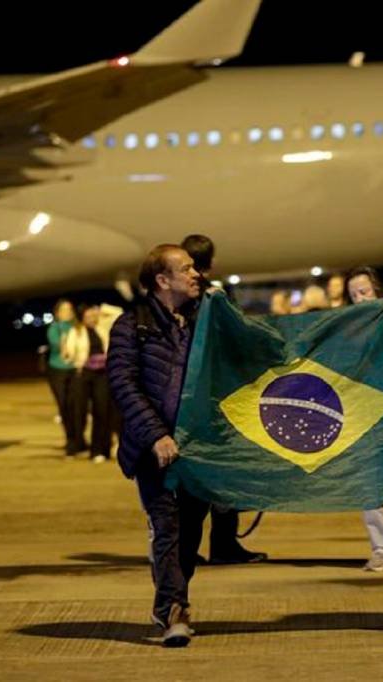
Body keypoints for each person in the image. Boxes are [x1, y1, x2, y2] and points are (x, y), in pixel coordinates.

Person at [106, 244, 210, 647]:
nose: (195, 274)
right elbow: (122, 384)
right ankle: (173, 611)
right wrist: (156, 435)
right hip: (153, 451)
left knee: (189, 535)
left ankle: (170, 600)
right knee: (166, 527)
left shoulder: (202, 321)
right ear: (162, 280)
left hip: (197, 451)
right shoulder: (131, 325)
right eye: (186, 269)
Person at [180, 234, 266, 566]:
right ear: (212, 263)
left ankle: (186, 549)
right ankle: (223, 544)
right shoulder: (217, 296)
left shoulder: (178, 297)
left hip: (187, 398)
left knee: (192, 479)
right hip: (220, 397)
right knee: (224, 475)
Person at [344, 266, 383, 572]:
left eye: (364, 292)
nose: (360, 299)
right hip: (364, 413)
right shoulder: (348, 331)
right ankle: (381, 548)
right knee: (371, 485)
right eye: (353, 295)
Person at [64, 303, 121, 462]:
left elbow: (117, 312)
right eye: (88, 316)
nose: (92, 319)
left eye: (93, 316)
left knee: (102, 411)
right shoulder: (76, 332)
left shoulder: (102, 328)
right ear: (82, 318)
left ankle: (99, 450)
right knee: (78, 411)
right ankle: (74, 446)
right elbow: (69, 353)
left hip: (102, 374)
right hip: (83, 374)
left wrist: (100, 309)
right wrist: (77, 362)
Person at [46, 299, 81, 454]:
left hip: (74, 370)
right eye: (63, 310)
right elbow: (57, 344)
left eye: (69, 309)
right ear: (57, 313)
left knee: (76, 406)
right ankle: (70, 440)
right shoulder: (54, 328)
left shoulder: (79, 327)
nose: (67, 312)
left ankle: (78, 439)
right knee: (64, 406)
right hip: (57, 370)